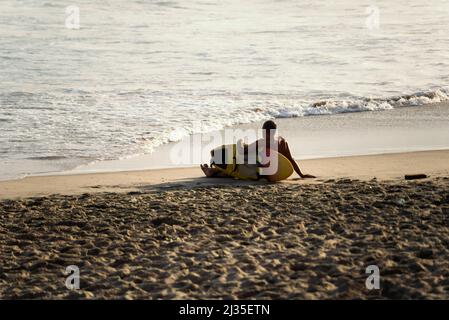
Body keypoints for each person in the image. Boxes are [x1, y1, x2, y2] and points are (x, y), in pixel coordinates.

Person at [200, 120, 315, 179]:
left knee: (236, 171)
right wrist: (301, 175)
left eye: (267, 133)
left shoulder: (273, 142)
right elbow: (242, 152)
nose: (266, 136)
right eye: (265, 134)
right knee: (236, 171)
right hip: (256, 167)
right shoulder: (273, 142)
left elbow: (290, 159)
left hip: (259, 171)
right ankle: (212, 171)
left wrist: (240, 143)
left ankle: (211, 171)